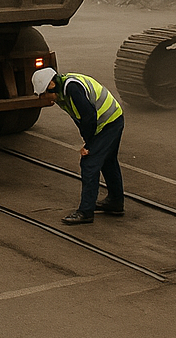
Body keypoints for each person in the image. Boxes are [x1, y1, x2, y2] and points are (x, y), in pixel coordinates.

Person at [31, 68, 125, 225]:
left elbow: (89, 117)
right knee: (108, 161)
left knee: (89, 163)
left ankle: (85, 212)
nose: (44, 99)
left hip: (109, 122)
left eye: (44, 94)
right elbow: (80, 118)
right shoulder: (62, 94)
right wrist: (88, 141)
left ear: (52, 84)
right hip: (110, 120)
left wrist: (88, 146)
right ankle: (115, 202)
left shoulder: (72, 88)